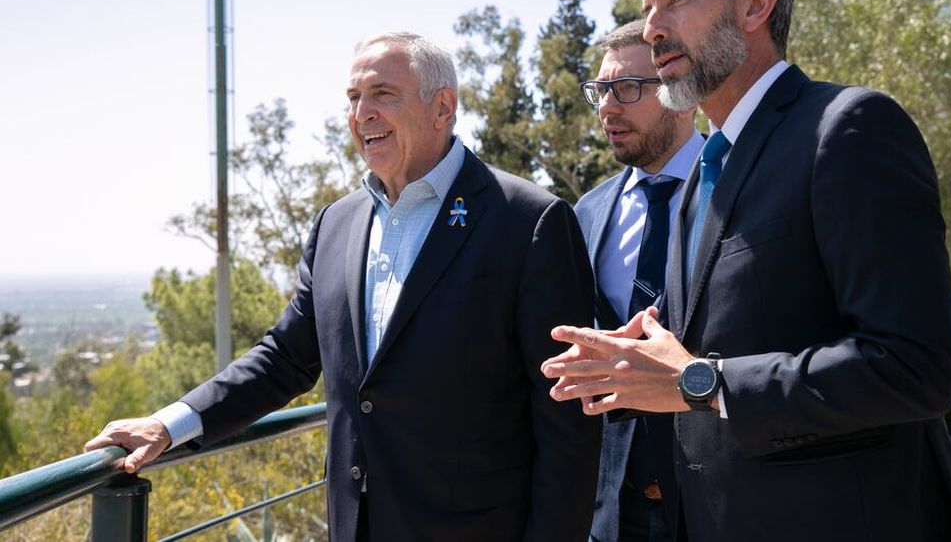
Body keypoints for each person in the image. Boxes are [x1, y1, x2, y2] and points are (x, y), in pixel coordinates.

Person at [541, 0, 951, 541]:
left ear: (754, 4)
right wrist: (639, 361)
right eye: (648, 6)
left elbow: (914, 368)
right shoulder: (700, 178)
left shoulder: (849, 130)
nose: (652, 28)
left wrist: (699, 382)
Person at [86, 32, 602, 542]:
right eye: (353, 98)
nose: (361, 114)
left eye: (382, 94)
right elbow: (284, 357)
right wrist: (170, 424)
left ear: (443, 107)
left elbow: (567, 424)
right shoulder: (336, 223)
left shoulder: (529, 221)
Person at [575, 20, 701, 542]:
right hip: (612, 509)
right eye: (601, 90)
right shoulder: (585, 213)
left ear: (683, 96)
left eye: (627, 88)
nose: (607, 108)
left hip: (714, 499)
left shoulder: (739, 188)